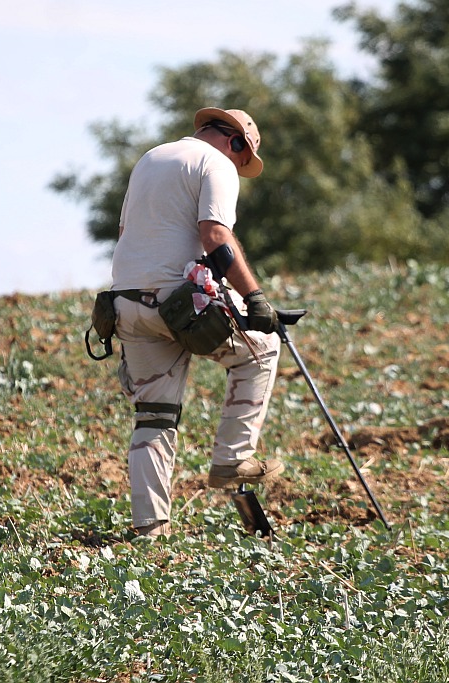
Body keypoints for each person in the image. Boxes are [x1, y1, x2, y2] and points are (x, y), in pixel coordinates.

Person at [110, 107, 284, 537]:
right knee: (262, 349)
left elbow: (127, 233)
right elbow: (215, 235)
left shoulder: (150, 158)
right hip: (177, 302)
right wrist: (254, 298)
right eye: (243, 162)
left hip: (125, 303)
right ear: (236, 144)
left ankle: (150, 530)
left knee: (154, 415)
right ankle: (232, 458)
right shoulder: (217, 163)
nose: (238, 169)